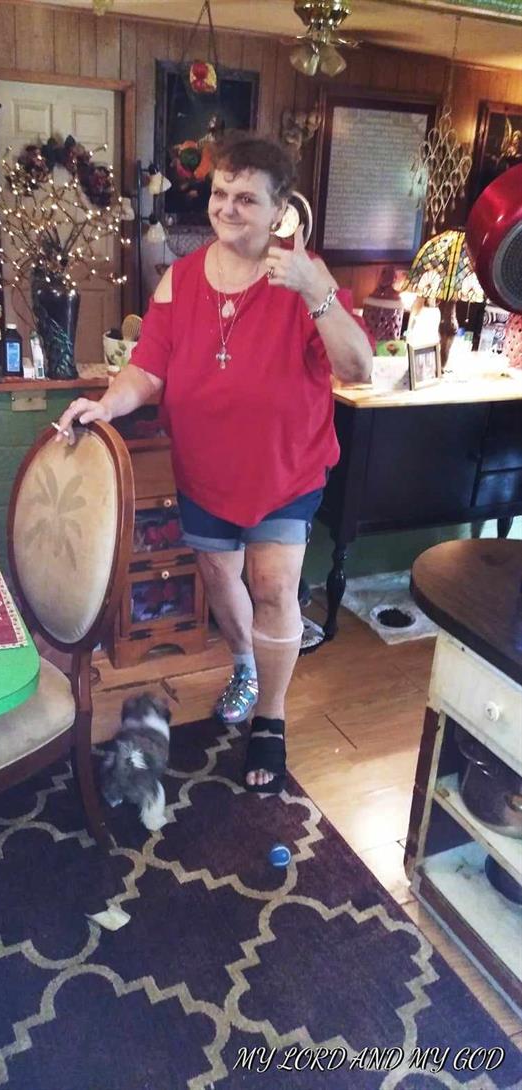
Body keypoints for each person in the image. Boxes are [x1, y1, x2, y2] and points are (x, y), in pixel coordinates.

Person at [55, 132, 373, 794]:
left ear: (279, 208)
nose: (227, 208)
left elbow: (357, 368)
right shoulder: (182, 277)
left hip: (285, 470)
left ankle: (271, 718)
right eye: (221, 193)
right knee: (220, 577)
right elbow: (148, 368)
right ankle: (245, 663)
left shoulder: (304, 275)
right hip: (203, 468)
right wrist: (106, 405)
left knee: (273, 586)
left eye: (246, 199)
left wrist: (317, 292)